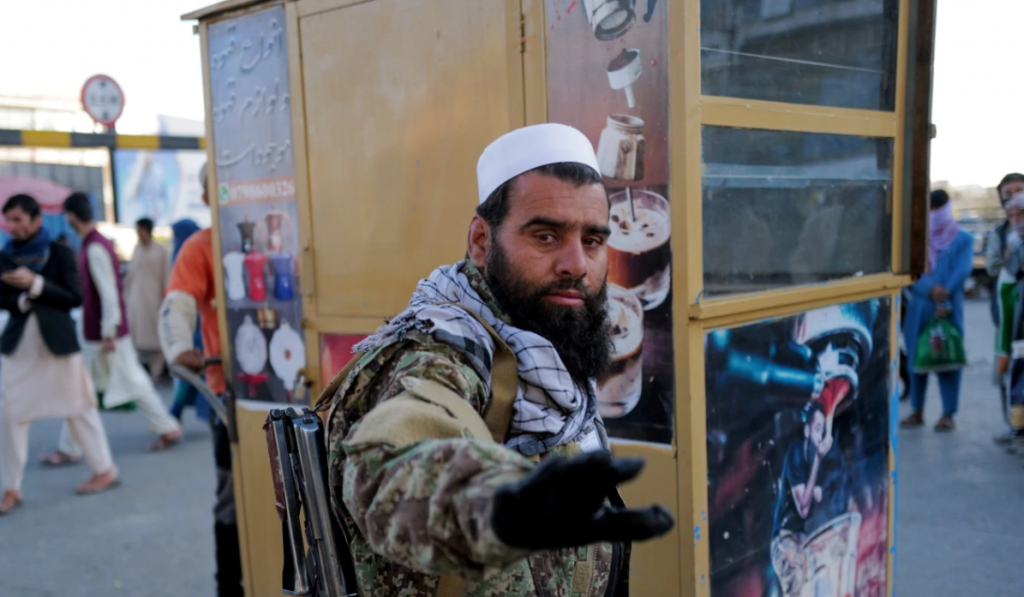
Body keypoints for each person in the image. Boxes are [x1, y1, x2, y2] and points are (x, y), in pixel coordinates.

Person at [320, 124, 673, 596]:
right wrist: (491, 506)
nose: (576, 264)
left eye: (592, 241)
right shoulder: (440, 354)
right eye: (546, 236)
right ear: (481, 241)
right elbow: (393, 456)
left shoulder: (550, 340)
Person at [0, 194, 119, 515]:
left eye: (17, 219)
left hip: (58, 342)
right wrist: (21, 299)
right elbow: (3, 298)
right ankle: (11, 488)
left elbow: (74, 297)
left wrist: (36, 284)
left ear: (36, 220)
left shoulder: (61, 253)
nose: (11, 226)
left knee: (79, 407)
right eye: (8, 220)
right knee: (11, 413)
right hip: (19, 345)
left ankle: (104, 469)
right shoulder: (5, 256)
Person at [46, 193, 181, 464]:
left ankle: (71, 447)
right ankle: (166, 426)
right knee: (115, 385)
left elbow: (108, 293)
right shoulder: (96, 244)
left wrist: (109, 331)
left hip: (103, 335)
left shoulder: (95, 248)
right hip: (104, 333)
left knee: (88, 388)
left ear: (71, 216)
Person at [159, 166, 242, 597]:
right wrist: (178, 349)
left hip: (300, 386)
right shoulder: (200, 246)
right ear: (209, 197)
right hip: (230, 394)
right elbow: (177, 304)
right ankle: (229, 586)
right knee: (232, 497)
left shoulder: (282, 232)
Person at [901, 190, 973, 431]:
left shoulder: (963, 238)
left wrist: (945, 293)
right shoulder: (916, 240)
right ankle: (917, 410)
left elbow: (963, 269)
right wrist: (930, 289)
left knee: (948, 357)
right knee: (916, 357)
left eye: (938, 209)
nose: (934, 215)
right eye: (931, 209)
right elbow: (910, 271)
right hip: (919, 306)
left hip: (949, 307)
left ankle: (948, 414)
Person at [166, 218, 209, 422]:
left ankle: (175, 412)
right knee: (194, 373)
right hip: (194, 326)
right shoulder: (193, 250)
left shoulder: (191, 252)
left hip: (198, 326)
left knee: (192, 373)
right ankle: (176, 412)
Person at [124, 217, 171, 382]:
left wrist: (165, 301)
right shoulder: (137, 249)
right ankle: (136, 377)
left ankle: (156, 373)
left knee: (156, 341)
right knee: (135, 339)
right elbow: (130, 276)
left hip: (154, 302)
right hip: (136, 302)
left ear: (146, 230)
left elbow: (166, 278)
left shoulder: (162, 251)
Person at [994, 193, 1024, 447]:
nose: (1016, 220)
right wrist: (1004, 347)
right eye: (1012, 215)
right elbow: (1006, 291)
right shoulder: (1016, 246)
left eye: (1021, 214)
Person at [986, 173, 1024, 324]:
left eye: (1019, 190)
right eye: (1008, 193)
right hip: (1012, 307)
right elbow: (992, 267)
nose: (1014, 196)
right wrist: (1011, 262)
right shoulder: (1000, 232)